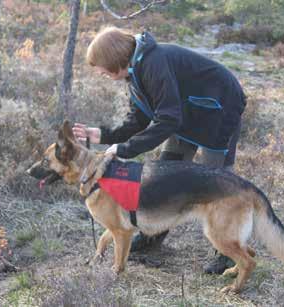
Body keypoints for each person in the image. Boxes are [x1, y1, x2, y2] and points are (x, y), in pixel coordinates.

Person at [72, 26, 246, 275]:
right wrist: (103, 135)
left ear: (113, 60)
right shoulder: (134, 72)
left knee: (216, 182)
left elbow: (168, 120)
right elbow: (138, 120)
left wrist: (124, 149)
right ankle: (152, 235)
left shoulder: (153, 63)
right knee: (163, 176)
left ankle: (228, 252)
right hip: (188, 115)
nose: (101, 74)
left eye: (101, 69)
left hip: (219, 109)